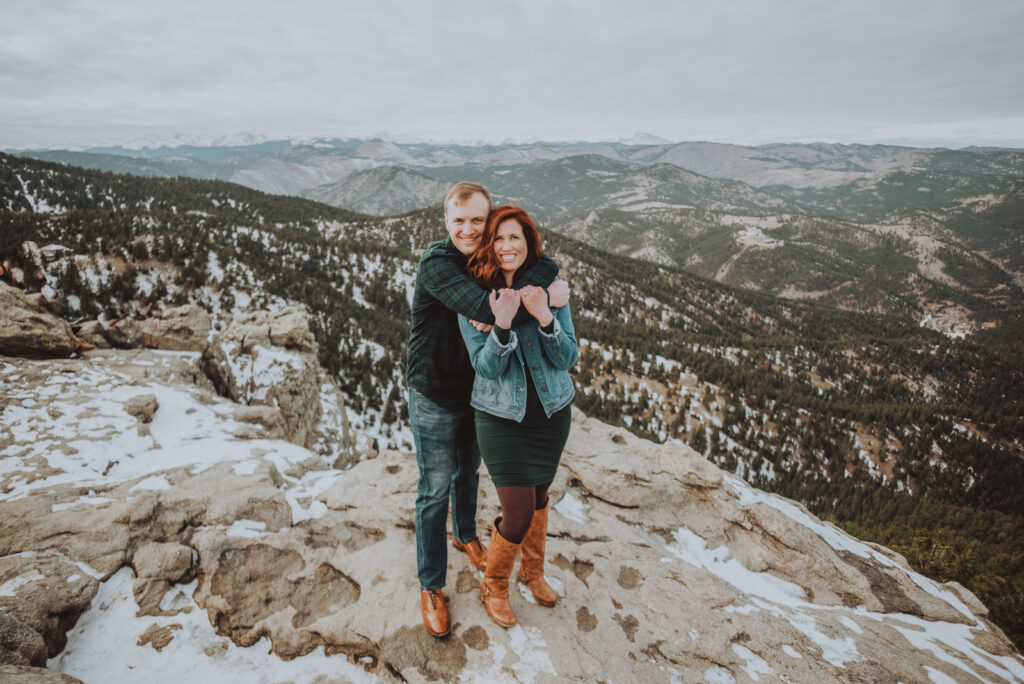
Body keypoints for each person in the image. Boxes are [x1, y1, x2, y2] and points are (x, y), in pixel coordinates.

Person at [407, 182, 569, 637]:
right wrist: (545, 302)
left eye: (478, 220)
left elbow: (541, 263)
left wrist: (544, 285)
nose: (468, 229)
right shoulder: (438, 264)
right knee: (435, 487)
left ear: (489, 219)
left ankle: (466, 536)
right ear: (445, 220)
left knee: (468, 472)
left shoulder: (490, 257)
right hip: (435, 388)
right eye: (459, 220)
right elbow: (485, 305)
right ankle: (431, 585)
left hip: (480, 392)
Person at [457, 205, 578, 628]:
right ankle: (494, 584)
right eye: (499, 238)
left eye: (516, 238)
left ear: (529, 244)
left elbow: (568, 356)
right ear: (488, 245)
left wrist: (545, 316)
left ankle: (533, 572)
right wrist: (503, 325)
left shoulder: (549, 291)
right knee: (519, 512)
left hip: (551, 413)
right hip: (501, 418)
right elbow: (485, 368)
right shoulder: (475, 300)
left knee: (540, 498)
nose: (507, 246)